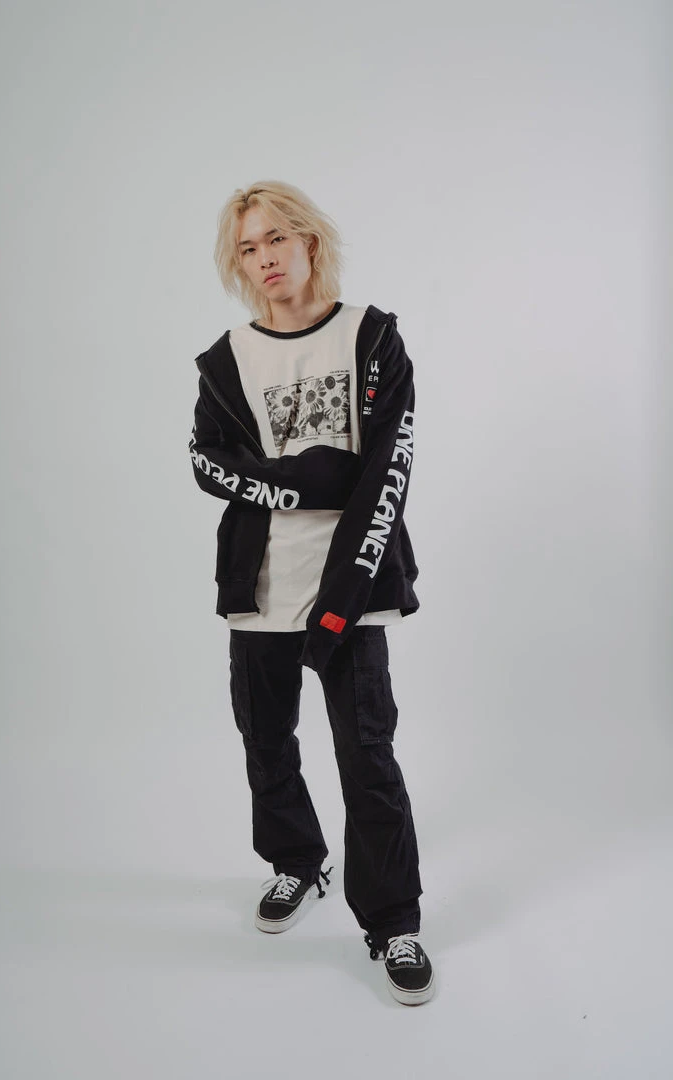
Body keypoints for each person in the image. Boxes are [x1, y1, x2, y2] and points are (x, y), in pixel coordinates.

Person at [188, 179, 434, 1006]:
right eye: (247, 248)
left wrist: (338, 596)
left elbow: (386, 469)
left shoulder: (370, 338)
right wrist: (308, 480)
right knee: (265, 741)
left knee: (366, 756)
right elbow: (207, 462)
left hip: (352, 589)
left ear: (308, 242)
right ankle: (297, 861)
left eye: (275, 240)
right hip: (259, 587)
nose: (264, 259)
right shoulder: (226, 359)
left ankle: (394, 921)